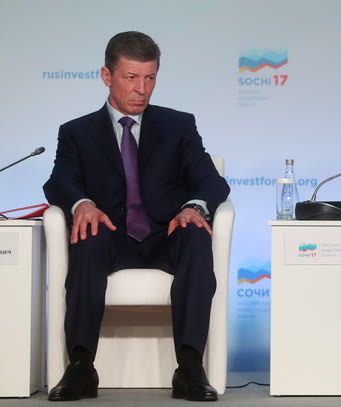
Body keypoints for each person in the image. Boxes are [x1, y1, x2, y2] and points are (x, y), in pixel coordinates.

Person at [43, 31, 230, 402]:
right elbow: (59, 182)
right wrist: (82, 204)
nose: (142, 89)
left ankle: (190, 368)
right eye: (131, 77)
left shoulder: (179, 125)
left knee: (196, 234)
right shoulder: (77, 132)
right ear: (107, 75)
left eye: (150, 77)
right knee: (87, 234)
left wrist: (194, 207)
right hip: (110, 237)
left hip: (165, 234)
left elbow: (211, 181)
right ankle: (81, 367)